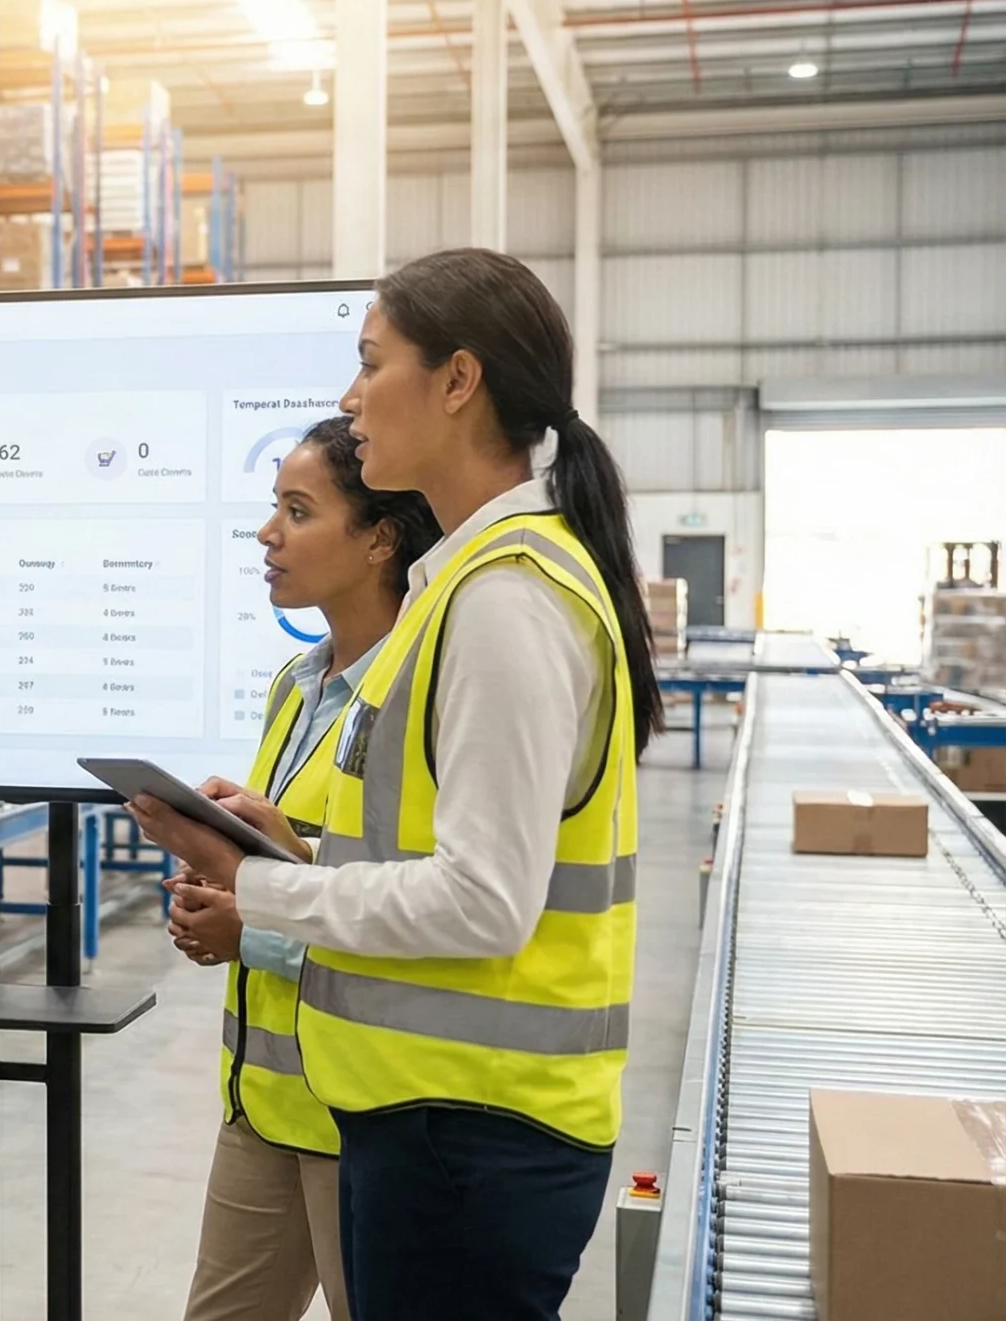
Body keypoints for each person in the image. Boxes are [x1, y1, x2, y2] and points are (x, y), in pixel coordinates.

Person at [133, 248, 658, 1321]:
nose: (350, 396)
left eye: (372, 364)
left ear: (457, 380)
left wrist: (257, 883)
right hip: (432, 1117)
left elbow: (486, 900)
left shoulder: (506, 596)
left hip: (476, 1130)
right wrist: (291, 852)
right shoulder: (463, 584)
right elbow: (432, 855)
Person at [168, 416, 439, 1321]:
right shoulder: (296, 683)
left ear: (380, 539)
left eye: (297, 510)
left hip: (358, 1115)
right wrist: (216, 880)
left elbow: (414, 908)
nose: (267, 533)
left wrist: (252, 927)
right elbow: (286, 858)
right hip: (259, 1101)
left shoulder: (416, 694)